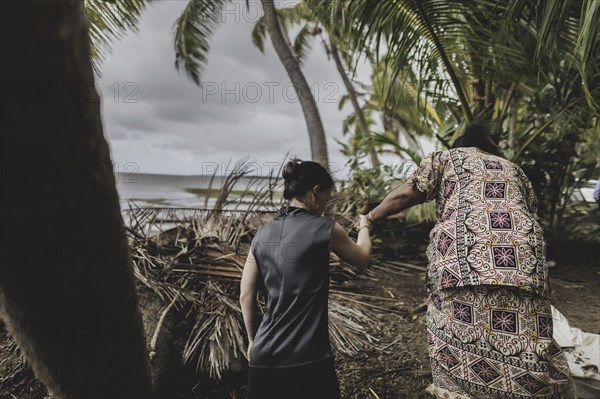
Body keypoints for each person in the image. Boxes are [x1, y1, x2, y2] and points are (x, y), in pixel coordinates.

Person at [366, 124, 575, 398]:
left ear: (460, 144)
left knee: (458, 328)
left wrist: (371, 217)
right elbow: (529, 212)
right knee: (525, 335)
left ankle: (464, 390)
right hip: (523, 259)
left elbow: (407, 193)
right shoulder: (513, 168)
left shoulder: (446, 158)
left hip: (465, 260)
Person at [240, 158, 373, 399]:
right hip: (307, 359)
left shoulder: (261, 235)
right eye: (326, 197)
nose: (326, 204)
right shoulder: (325, 228)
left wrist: (251, 340)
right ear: (315, 192)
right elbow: (362, 256)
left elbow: (246, 295)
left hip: (263, 358)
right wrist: (365, 226)